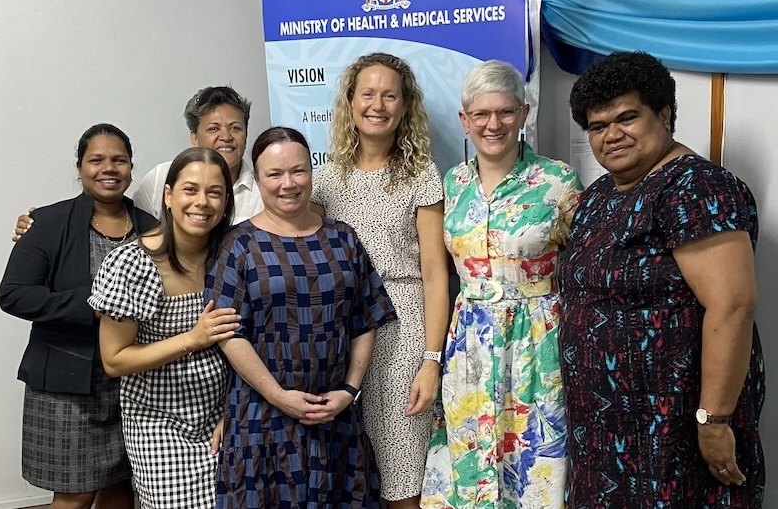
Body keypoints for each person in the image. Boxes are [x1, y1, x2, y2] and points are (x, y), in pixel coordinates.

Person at [560, 51, 764, 507]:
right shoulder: (599, 195)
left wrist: (714, 421)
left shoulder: (696, 188)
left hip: (671, 430)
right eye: (597, 126)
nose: (612, 135)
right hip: (606, 435)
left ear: (665, 114)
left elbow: (732, 306)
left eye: (627, 117)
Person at [421, 60, 582, 508]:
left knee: (533, 462)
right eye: (482, 114)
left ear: (524, 114)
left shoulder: (557, 182)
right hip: (469, 342)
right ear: (465, 120)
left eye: (506, 112)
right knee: (471, 458)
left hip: (536, 341)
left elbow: (584, 265)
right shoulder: (452, 184)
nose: (494, 124)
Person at [207, 126, 394, 508]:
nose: (288, 183)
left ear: (313, 171)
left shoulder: (343, 239)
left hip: (334, 417)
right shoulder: (238, 244)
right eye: (274, 174)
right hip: (262, 417)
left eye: (299, 171)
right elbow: (228, 334)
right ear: (258, 180)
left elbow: (364, 320)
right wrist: (279, 396)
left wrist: (349, 391)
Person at [310, 52, 450, 508]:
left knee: (402, 479)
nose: (378, 104)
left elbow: (434, 274)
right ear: (350, 102)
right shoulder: (324, 181)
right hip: (340, 336)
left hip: (402, 335)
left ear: (405, 106)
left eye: (390, 95)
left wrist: (431, 359)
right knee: (344, 472)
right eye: (367, 93)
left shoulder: (420, 176)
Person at [0, 123, 158, 509]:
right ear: (80, 167)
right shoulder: (48, 223)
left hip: (132, 385)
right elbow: (14, 294)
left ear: (131, 168)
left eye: (119, 160)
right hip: (66, 386)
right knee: (74, 493)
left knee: (122, 488)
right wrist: (97, 305)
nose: (109, 168)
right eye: (97, 160)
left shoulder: (152, 228)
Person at [87, 148, 240, 509]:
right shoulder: (131, 264)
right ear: (168, 196)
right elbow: (114, 360)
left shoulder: (233, 254)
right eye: (190, 189)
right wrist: (192, 339)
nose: (201, 202)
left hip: (221, 417)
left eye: (214, 192)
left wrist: (233, 411)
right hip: (158, 424)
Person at [12, 85, 262, 240]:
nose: (226, 137)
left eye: (235, 128)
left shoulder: (266, 187)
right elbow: (124, 225)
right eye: (214, 128)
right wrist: (43, 225)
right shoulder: (161, 178)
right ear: (194, 137)